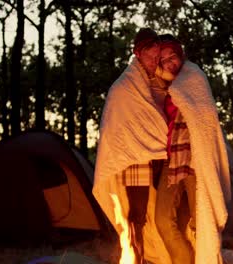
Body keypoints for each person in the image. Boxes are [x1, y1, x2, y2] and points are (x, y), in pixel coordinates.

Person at [154, 34, 232, 264]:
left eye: (173, 57)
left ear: (181, 56)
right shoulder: (166, 85)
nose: (170, 63)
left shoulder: (194, 76)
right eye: (164, 59)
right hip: (174, 157)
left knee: (202, 221)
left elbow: (204, 119)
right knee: (162, 219)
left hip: (196, 157)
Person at [92, 28, 168, 264]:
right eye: (149, 57)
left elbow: (159, 114)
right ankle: (137, 258)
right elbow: (118, 124)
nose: (153, 61)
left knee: (164, 210)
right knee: (137, 215)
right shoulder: (124, 86)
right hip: (135, 157)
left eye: (157, 57)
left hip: (159, 153)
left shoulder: (156, 80)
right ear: (137, 54)